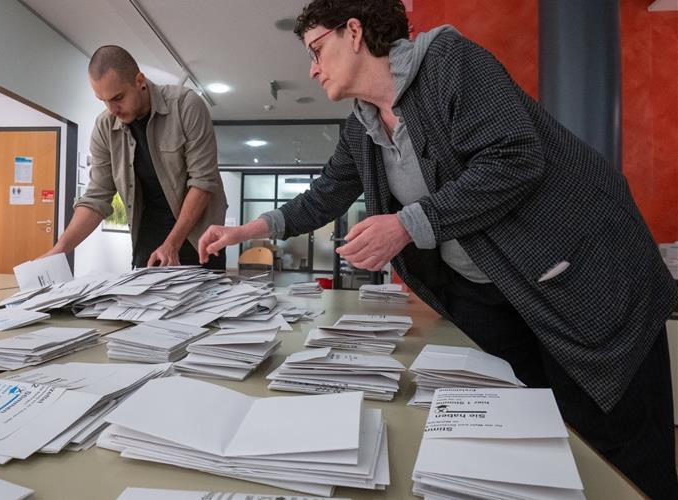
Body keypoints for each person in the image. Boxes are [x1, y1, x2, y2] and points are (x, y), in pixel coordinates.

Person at [198, 1, 678, 497]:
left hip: (583, 276)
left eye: (318, 49)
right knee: (543, 430)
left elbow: (513, 157)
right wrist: (244, 231)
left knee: (615, 439)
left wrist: (406, 225)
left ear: (355, 32)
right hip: (498, 296)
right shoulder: (362, 126)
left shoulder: (450, 61)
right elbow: (324, 195)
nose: (312, 68)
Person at [44, 45, 227, 269]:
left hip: (200, 239)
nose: (112, 109)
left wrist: (172, 243)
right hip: (147, 239)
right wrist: (59, 249)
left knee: (205, 304)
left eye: (118, 97)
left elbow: (203, 182)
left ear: (140, 81)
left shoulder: (185, 106)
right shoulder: (105, 127)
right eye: (102, 100)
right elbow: (96, 197)